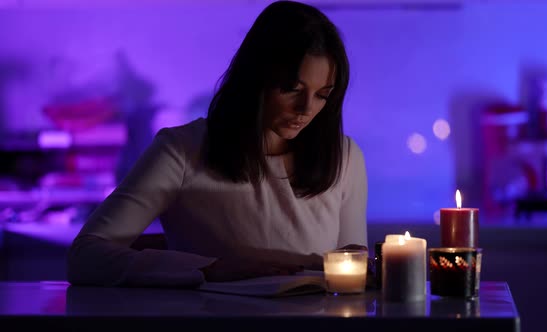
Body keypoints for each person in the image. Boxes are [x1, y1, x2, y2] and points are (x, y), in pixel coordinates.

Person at [67, 0, 368, 287]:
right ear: (256, 77)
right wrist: (208, 269)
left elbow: (353, 272)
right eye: (292, 89)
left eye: (322, 94)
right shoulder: (182, 150)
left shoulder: (344, 157)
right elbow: (86, 256)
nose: (306, 109)